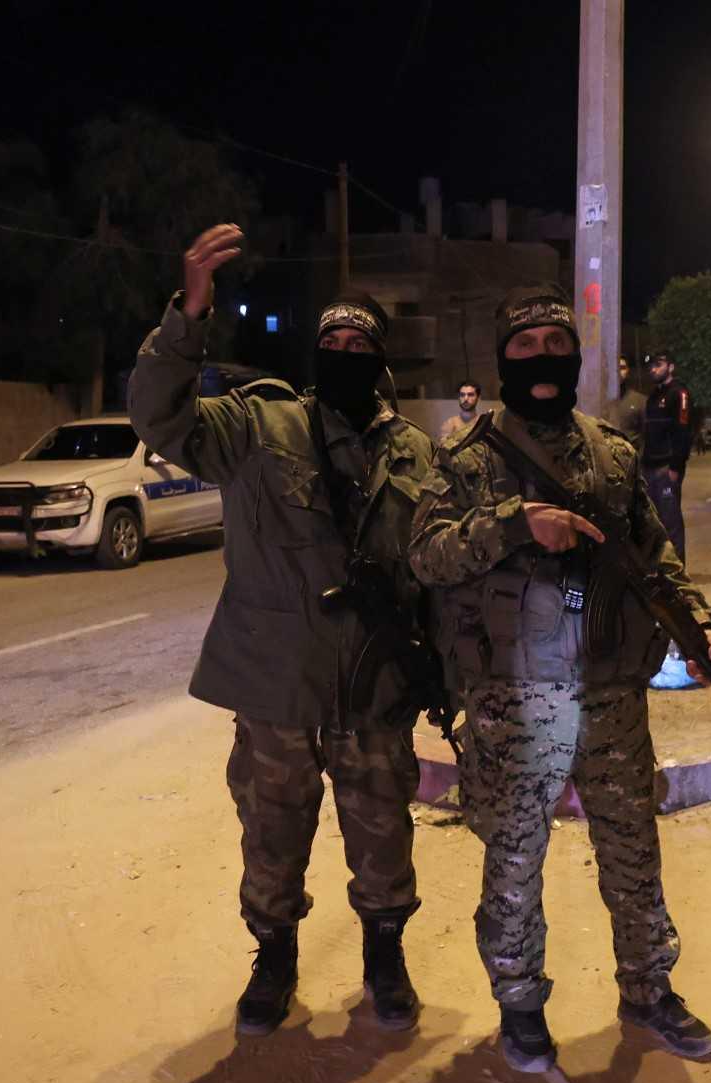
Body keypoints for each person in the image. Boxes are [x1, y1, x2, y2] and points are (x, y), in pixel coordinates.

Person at [409, 283, 711, 1072]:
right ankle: (520, 1005)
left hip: (611, 695)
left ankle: (649, 989)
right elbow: (425, 554)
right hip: (512, 699)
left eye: (557, 346)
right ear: (502, 359)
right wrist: (515, 521)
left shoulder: (613, 454)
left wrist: (701, 630)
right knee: (515, 859)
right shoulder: (466, 459)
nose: (543, 361)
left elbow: (655, 560)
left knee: (633, 849)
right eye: (525, 349)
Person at [128, 224, 436, 1037]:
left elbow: (437, 577)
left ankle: (384, 954)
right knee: (271, 832)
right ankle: (274, 957)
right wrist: (188, 314)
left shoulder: (414, 455)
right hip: (276, 687)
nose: (342, 348)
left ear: (380, 358)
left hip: (374, 689)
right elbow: (162, 420)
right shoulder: (259, 427)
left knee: (383, 834)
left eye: (357, 340)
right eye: (330, 337)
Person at [640, 350, 694, 562]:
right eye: (651, 365)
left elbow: (683, 432)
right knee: (652, 523)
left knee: (671, 523)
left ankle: (678, 572)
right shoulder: (653, 396)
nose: (654, 369)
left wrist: (675, 468)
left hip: (666, 470)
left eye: (659, 364)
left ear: (670, 367)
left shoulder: (679, 394)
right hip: (649, 468)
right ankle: (659, 570)